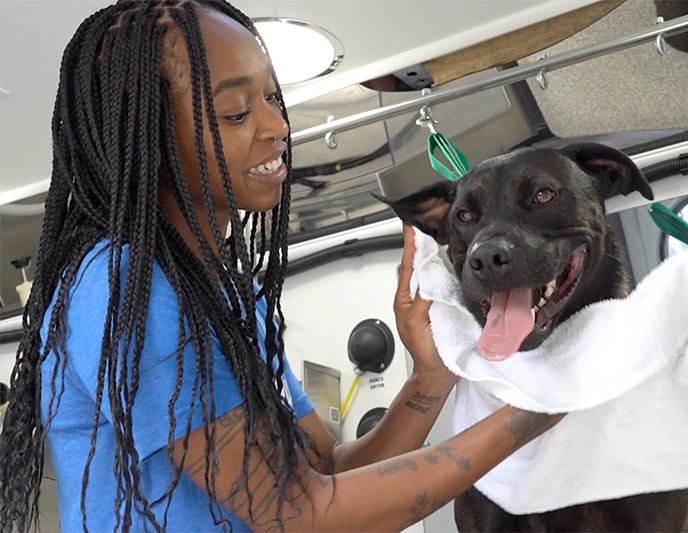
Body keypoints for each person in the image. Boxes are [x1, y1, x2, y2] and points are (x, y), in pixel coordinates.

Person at [0, 1, 563, 531]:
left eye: (273, 99)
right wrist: (543, 402)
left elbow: (327, 473)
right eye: (237, 111)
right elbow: (303, 517)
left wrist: (432, 374)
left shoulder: (227, 298)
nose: (277, 127)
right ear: (147, 132)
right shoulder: (122, 286)